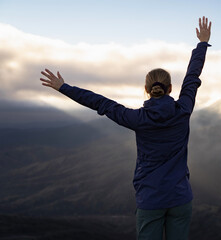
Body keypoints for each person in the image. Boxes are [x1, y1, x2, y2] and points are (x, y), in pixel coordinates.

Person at [40, 16, 211, 240]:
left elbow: (101, 103)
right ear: (170, 88)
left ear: (146, 89)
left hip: (151, 200)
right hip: (181, 198)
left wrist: (64, 87)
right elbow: (192, 78)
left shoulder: (137, 118)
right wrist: (202, 44)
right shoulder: (183, 110)